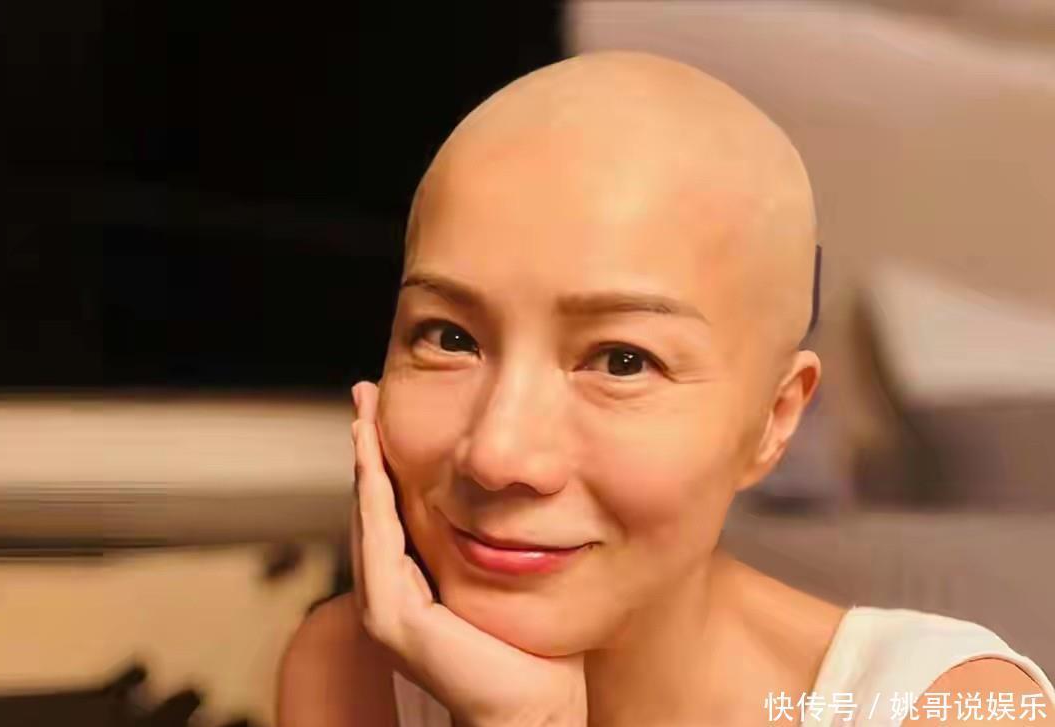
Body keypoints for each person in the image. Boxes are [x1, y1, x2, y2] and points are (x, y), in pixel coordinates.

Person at [277, 51, 1054, 727]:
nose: (499, 452)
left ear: (774, 419)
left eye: (621, 360)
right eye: (450, 338)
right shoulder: (350, 673)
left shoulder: (949, 706)